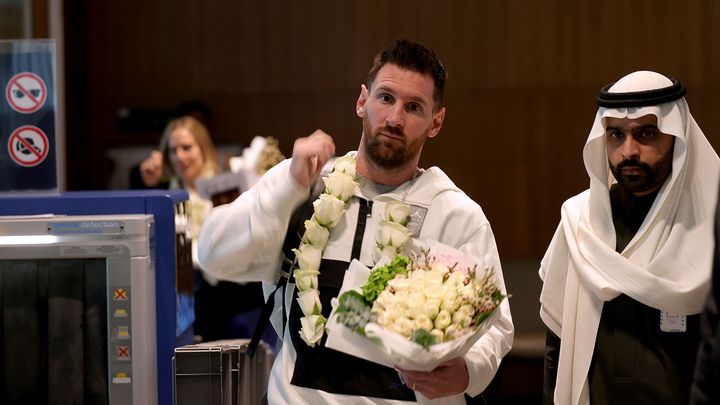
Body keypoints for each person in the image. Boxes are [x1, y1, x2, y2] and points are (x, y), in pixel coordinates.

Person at [197, 39, 514, 404]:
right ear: (362, 101)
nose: (395, 118)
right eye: (385, 98)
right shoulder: (302, 183)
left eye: (413, 107)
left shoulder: (457, 215)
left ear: (435, 122)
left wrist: (468, 371)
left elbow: (496, 326)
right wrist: (289, 189)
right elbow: (212, 254)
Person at [538, 70, 720, 405]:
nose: (628, 151)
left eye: (647, 133)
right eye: (616, 135)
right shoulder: (580, 226)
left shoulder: (711, 228)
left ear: (678, 139)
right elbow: (557, 349)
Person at [136, 115, 269, 343]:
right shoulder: (168, 193)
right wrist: (152, 184)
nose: (180, 156)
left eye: (187, 148)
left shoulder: (226, 186)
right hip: (184, 298)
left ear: (203, 148)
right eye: (173, 150)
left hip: (227, 294)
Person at [689, 183, 720, 404]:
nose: (630, 150)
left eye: (647, 144)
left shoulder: (705, 214)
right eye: (615, 143)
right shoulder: (580, 221)